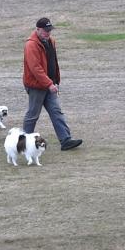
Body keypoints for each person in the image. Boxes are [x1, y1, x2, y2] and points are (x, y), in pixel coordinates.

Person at [22, 17, 83, 151]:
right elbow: (36, 69)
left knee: (56, 112)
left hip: (49, 84)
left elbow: (52, 63)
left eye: (49, 30)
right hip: (36, 86)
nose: (48, 33)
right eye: (45, 30)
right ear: (37, 29)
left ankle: (65, 140)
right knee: (33, 115)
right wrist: (49, 84)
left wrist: (55, 81)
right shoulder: (31, 45)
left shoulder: (51, 41)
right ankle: (23, 142)